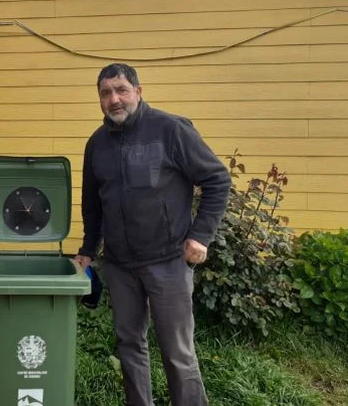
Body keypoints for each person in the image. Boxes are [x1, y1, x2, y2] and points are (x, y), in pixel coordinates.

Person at [74, 63, 231, 406]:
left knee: (177, 351)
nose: (114, 99)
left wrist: (200, 236)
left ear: (138, 92)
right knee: (129, 346)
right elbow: (92, 204)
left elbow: (218, 180)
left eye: (121, 90)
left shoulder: (171, 129)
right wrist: (88, 248)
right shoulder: (97, 143)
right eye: (105, 92)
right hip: (119, 265)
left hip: (168, 261)